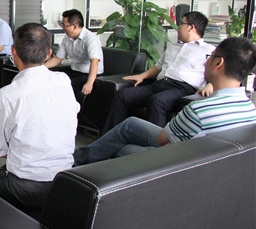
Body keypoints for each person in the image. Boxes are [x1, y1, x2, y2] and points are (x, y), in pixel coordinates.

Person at [74, 36, 256, 165]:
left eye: (209, 57)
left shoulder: (199, 111)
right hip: (207, 163)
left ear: (218, 63)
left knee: (120, 148)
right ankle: (79, 158)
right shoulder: (250, 110)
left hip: (176, 165)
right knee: (130, 124)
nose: (204, 62)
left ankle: (74, 162)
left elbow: (163, 141)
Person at [0, 23, 79, 210]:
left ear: (13, 51)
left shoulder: (6, 95)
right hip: (64, 182)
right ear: (49, 54)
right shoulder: (64, 81)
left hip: (23, 186)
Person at [102, 11, 215, 132]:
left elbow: (220, 72)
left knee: (157, 101)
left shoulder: (209, 50)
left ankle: (154, 142)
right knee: (123, 95)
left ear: (191, 27)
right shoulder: (173, 47)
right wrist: (142, 76)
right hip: (159, 84)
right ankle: (110, 136)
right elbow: (158, 66)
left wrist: (211, 84)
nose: (178, 27)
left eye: (181, 24)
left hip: (182, 89)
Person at [44, 9, 103, 103]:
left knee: (62, 85)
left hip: (88, 74)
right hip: (74, 71)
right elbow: (57, 59)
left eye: (64, 25)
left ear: (74, 26)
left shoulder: (91, 38)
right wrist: (40, 67)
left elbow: (95, 62)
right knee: (51, 78)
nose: (62, 28)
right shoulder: (67, 38)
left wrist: (89, 83)